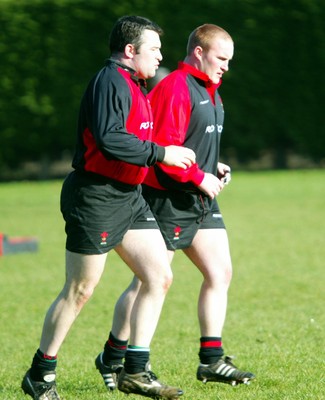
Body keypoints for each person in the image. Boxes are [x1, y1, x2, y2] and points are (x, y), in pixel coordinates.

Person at [21, 15, 197, 400]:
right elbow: (111, 139)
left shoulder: (136, 84)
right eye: (154, 49)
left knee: (158, 276)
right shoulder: (110, 82)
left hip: (129, 198)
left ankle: (134, 369)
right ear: (130, 51)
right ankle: (41, 373)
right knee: (81, 289)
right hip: (96, 196)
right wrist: (161, 154)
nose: (160, 56)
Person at [96, 23, 255, 392]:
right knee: (146, 282)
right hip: (168, 197)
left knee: (220, 272)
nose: (226, 67)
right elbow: (163, 148)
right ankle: (113, 356)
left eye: (230, 60)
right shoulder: (175, 87)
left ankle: (211, 360)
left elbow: (190, 143)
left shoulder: (211, 91)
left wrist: (212, 166)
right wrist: (199, 176)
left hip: (200, 199)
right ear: (199, 52)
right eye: (221, 58)